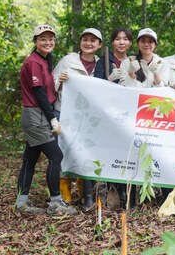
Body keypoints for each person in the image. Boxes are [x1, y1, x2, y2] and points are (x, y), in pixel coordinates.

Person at [15, 24, 77, 216]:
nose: (47, 42)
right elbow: (39, 93)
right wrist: (52, 119)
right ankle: (55, 203)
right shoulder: (33, 62)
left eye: (50, 39)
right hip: (36, 115)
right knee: (56, 156)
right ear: (35, 41)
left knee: (30, 159)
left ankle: (21, 201)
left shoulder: (45, 60)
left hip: (39, 113)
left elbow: (49, 88)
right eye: (42, 39)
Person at [53, 28, 103, 212]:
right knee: (63, 152)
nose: (89, 43)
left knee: (85, 153)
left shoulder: (101, 64)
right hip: (64, 112)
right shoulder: (68, 60)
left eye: (93, 40)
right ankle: (64, 194)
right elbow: (51, 83)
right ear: (80, 42)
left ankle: (85, 192)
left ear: (99, 45)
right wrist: (60, 79)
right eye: (85, 39)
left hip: (89, 117)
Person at [94, 27, 135, 209]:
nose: (121, 42)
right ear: (112, 43)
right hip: (109, 114)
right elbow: (95, 85)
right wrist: (109, 81)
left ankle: (125, 191)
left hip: (129, 115)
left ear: (130, 43)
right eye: (118, 39)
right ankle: (110, 189)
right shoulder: (104, 61)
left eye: (125, 39)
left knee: (126, 153)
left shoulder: (133, 62)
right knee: (112, 152)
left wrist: (135, 73)